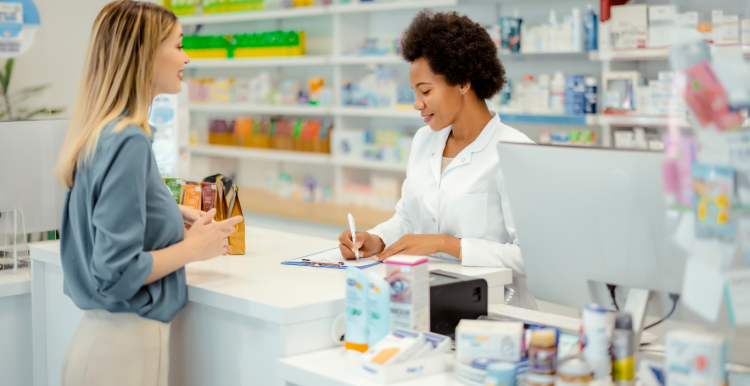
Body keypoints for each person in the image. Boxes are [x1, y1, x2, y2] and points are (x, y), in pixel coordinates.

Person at [54, 1, 243, 385]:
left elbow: (110, 209)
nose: (186, 58)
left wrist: (176, 214)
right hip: (120, 354)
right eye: (178, 45)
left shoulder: (104, 132)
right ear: (144, 54)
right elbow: (116, 272)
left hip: (106, 347)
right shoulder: (129, 141)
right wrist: (194, 248)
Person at [338, 10, 537, 309]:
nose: (417, 104)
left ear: (463, 82)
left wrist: (448, 245)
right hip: (424, 299)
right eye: (415, 93)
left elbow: (532, 257)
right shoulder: (424, 141)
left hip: (494, 312)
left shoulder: (515, 151)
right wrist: (376, 240)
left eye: (426, 91)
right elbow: (407, 218)